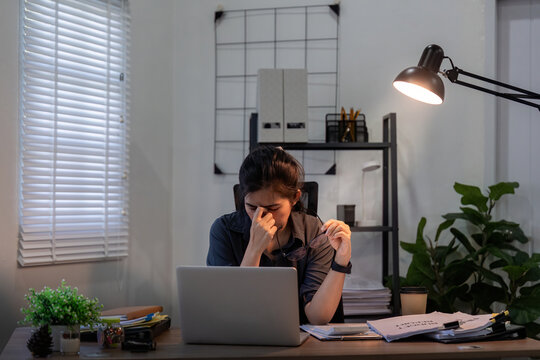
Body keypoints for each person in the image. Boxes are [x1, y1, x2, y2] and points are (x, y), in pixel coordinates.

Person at [207, 145, 352, 325]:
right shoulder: (224, 230)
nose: (262, 217)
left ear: (295, 198)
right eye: (252, 207)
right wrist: (254, 249)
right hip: (241, 341)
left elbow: (318, 317)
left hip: (301, 345)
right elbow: (234, 312)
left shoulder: (314, 230)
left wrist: (341, 260)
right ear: (242, 199)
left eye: (273, 208)